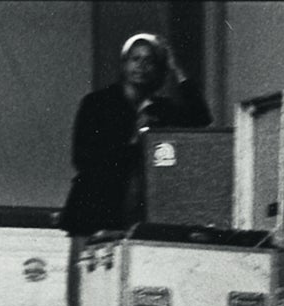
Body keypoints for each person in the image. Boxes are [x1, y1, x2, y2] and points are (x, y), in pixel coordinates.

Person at [60, 33, 212, 236]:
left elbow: (201, 119)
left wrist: (177, 71)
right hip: (93, 212)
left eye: (149, 61)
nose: (141, 66)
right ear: (124, 65)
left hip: (139, 213)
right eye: (136, 59)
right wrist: (133, 139)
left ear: (159, 68)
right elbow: (82, 158)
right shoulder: (97, 103)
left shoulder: (160, 109)